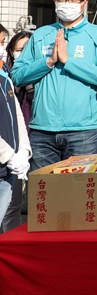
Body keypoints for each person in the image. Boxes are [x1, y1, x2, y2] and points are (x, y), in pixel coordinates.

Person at [12, 0, 97, 169]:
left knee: (81, 192)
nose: (66, 4)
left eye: (72, 0)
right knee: (44, 193)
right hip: (42, 130)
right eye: (61, 0)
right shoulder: (41, 34)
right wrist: (48, 62)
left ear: (84, 3)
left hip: (83, 130)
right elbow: (17, 75)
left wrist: (69, 61)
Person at [0, 65, 30, 233]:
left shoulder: (5, 79)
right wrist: (9, 155)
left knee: (12, 223)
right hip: (7, 161)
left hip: (12, 170)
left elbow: (18, 117)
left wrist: (24, 150)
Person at [5, 32, 34, 127]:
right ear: (11, 52)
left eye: (27, 50)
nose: (23, 54)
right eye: (19, 50)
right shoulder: (5, 78)